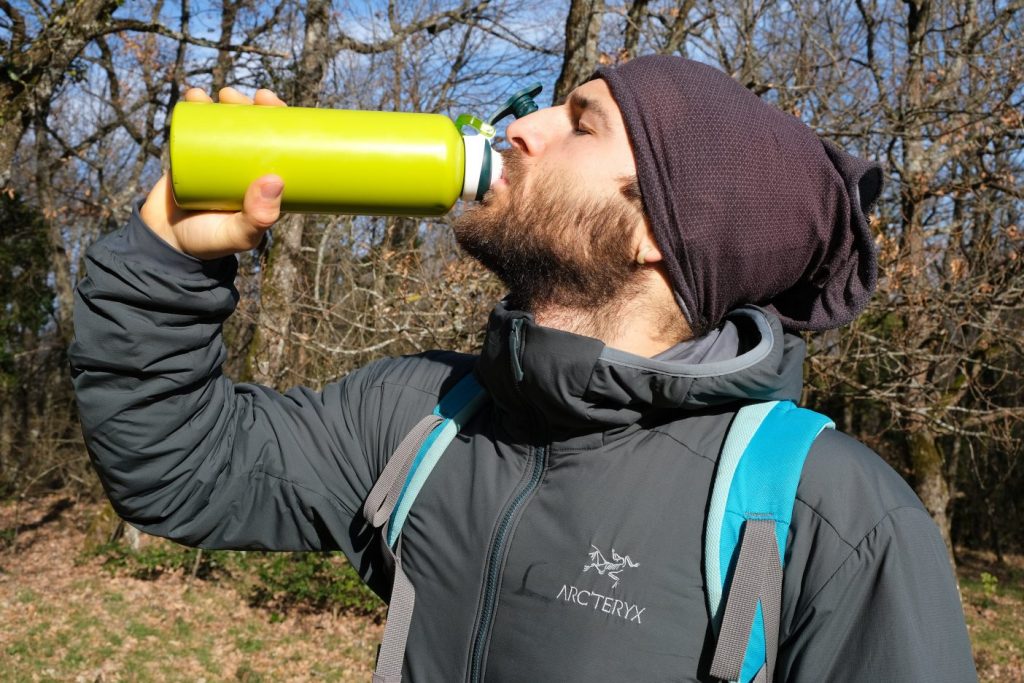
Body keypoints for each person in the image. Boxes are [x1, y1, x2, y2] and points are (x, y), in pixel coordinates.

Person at [69, 56, 977, 681]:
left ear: (657, 230)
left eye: (582, 122)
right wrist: (169, 260)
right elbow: (178, 464)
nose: (523, 127)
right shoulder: (426, 416)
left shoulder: (829, 516)